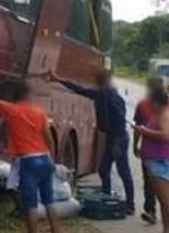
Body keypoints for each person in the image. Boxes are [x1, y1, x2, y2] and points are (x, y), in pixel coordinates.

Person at [0, 75, 62, 233]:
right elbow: (48, 138)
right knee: (49, 201)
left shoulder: (12, 110)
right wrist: (52, 158)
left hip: (28, 162)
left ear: (16, 96)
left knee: (31, 204)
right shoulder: (39, 112)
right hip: (45, 159)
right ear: (29, 96)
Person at [51, 69, 135, 213]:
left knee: (123, 170)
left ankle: (130, 204)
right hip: (111, 138)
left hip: (118, 138)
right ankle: (107, 194)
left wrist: (114, 141)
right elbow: (80, 89)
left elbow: (120, 120)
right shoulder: (101, 94)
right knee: (103, 168)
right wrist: (58, 79)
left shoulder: (113, 97)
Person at [134, 76, 169, 224]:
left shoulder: (166, 112)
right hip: (153, 157)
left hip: (160, 159)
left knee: (166, 200)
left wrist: (142, 134)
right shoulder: (153, 109)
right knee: (160, 195)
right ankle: (166, 228)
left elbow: (165, 134)